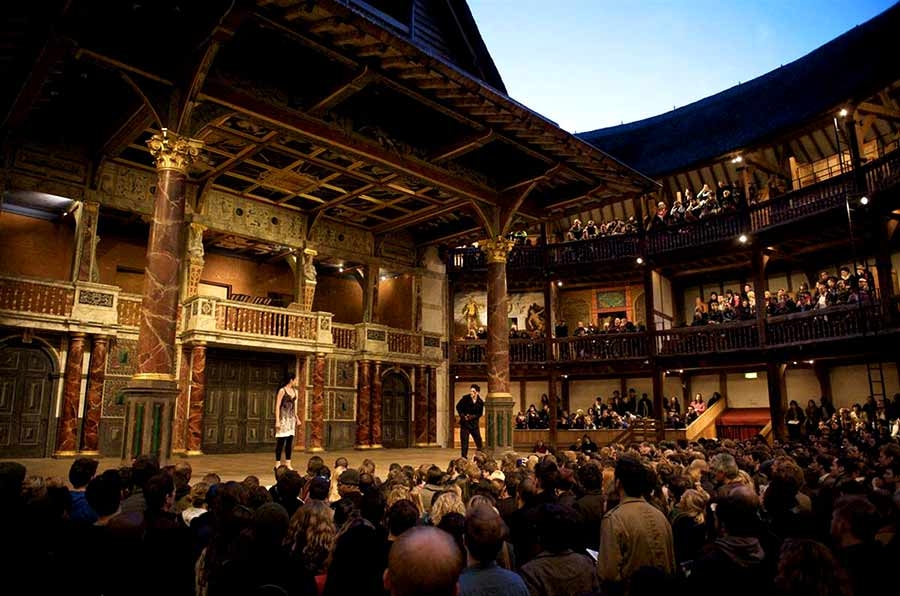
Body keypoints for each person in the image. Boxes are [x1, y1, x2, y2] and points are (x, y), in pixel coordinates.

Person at [275, 373, 299, 471]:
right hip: (283, 418)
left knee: (289, 442)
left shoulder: (295, 391)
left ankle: (288, 462)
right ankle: (277, 463)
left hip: (291, 419)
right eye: (295, 379)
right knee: (281, 442)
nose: (296, 381)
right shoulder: (282, 390)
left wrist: (297, 418)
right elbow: (277, 406)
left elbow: (294, 406)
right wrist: (277, 420)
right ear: (291, 380)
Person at [457, 384, 484, 459]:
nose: (471, 393)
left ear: (477, 392)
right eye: (471, 391)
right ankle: (464, 457)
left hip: (474, 424)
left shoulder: (480, 402)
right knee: (464, 441)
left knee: (478, 440)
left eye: (473, 391)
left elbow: (480, 413)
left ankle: (480, 456)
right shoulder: (465, 398)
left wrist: (473, 417)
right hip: (465, 423)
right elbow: (458, 407)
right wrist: (463, 416)